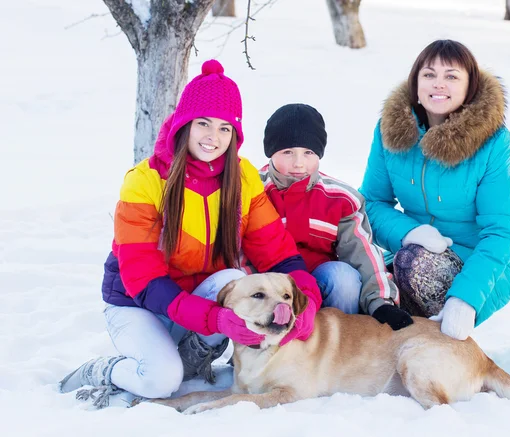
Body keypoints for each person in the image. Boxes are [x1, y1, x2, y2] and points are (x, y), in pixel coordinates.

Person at [58, 60, 321, 408]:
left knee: (230, 278)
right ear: (185, 124)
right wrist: (216, 319)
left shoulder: (241, 176)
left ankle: (190, 361)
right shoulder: (145, 181)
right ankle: (105, 371)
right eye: (204, 124)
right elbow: (143, 279)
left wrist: (307, 302)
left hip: (196, 298)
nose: (214, 137)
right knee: (160, 380)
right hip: (138, 302)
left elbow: (279, 254)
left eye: (226, 128)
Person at [359, 40, 510, 341]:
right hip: (410, 251)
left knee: (413, 263)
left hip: (481, 265)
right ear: (416, 83)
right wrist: (409, 233)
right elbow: (370, 202)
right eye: (429, 74)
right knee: (353, 280)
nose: (439, 84)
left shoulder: (493, 142)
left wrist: (466, 298)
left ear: (469, 86)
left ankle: (433, 344)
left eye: (451, 76)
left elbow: (501, 232)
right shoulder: (390, 130)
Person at [250, 103, 413, 330]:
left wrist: (380, 301)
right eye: (288, 152)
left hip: (320, 283)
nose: (299, 163)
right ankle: (255, 344)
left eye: (308, 153)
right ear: (271, 153)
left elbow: (362, 252)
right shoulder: (252, 189)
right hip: (267, 283)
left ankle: (337, 346)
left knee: (343, 277)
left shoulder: (339, 198)